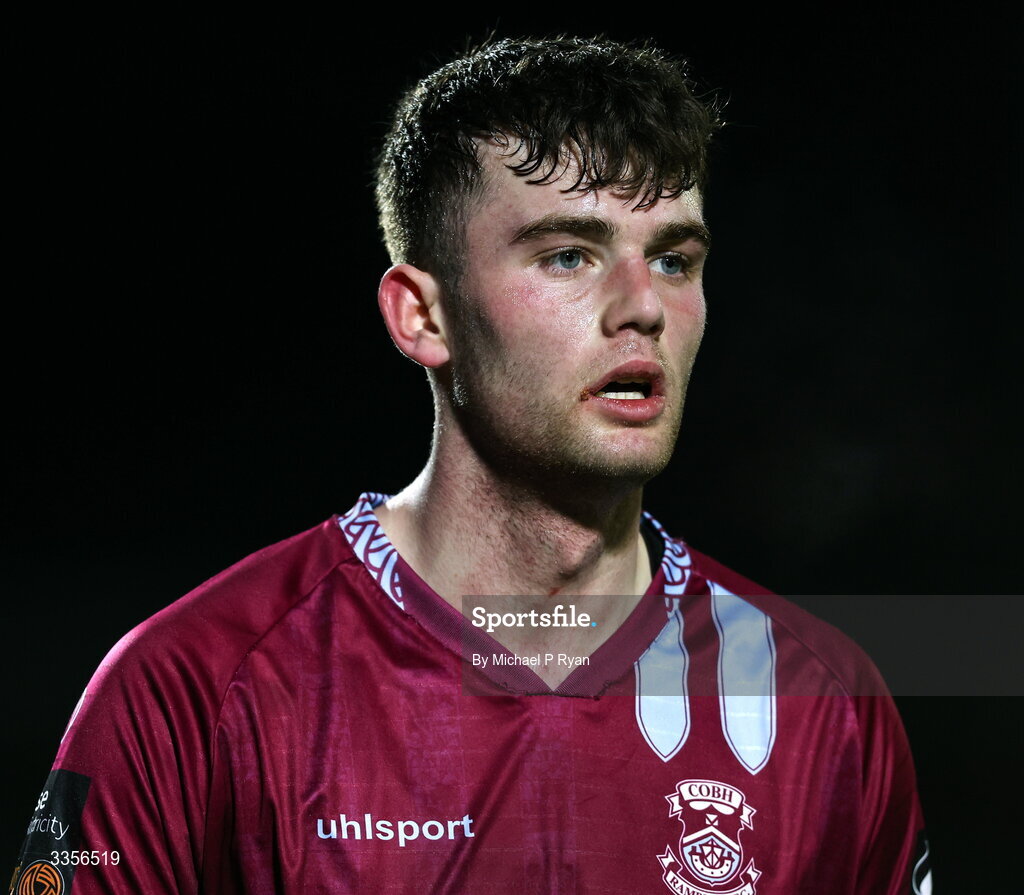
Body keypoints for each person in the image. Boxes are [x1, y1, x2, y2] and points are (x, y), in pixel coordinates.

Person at [12, 36, 931, 894]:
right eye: (570, 254)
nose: (642, 307)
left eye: (674, 258)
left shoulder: (825, 704)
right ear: (423, 316)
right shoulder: (193, 687)